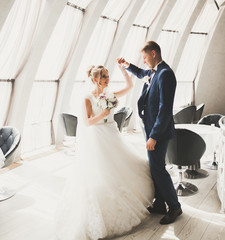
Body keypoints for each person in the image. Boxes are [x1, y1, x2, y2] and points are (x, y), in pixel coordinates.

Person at [54, 62, 154, 240]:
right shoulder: (87, 98)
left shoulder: (109, 93)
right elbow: (87, 122)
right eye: (104, 77)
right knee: (104, 172)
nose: (108, 79)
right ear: (95, 79)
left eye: (108, 76)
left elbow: (130, 87)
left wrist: (124, 71)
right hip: (98, 137)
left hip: (112, 133)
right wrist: (104, 112)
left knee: (125, 165)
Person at [117, 40, 182, 225]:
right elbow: (140, 73)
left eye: (145, 57)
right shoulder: (154, 72)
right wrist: (127, 65)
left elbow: (165, 109)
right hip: (151, 128)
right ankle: (160, 204)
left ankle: (175, 206)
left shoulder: (165, 74)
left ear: (154, 53)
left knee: (158, 168)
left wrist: (154, 136)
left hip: (158, 131)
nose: (144, 61)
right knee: (154, 167)